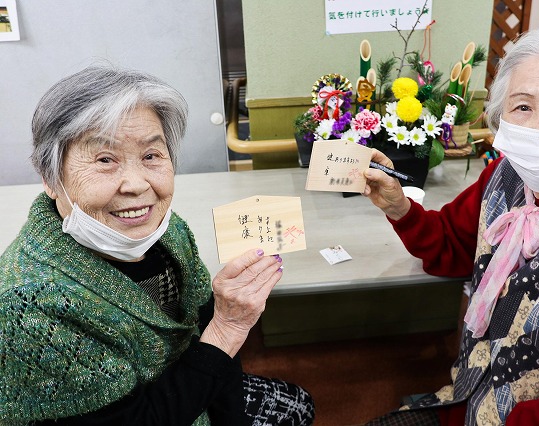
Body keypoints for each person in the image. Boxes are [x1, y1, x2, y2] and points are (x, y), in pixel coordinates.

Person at [0, 65, 315, 425]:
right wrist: (228, 329)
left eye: (151, 156)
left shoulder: (168, 232)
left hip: (192, 379)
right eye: (105, 160)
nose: (136, 185)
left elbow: (205, 323)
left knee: (299, 405)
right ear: (51, 179)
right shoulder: (26, 307)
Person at [362, 27, 539, 425]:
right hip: (469, 393)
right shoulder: (505, 176)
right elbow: (452, 247)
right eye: (523, 107)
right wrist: (401, 208)